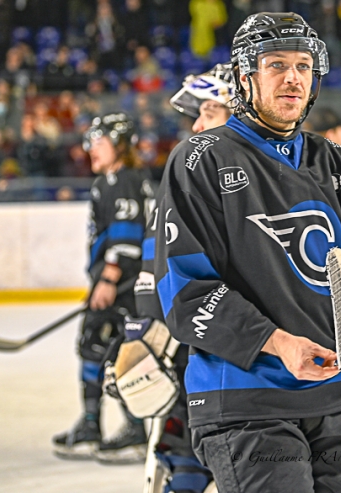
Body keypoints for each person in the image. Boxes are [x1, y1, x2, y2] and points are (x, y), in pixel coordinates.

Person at [152, 12, 341, 492]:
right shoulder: (202, 159)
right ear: (246, 77)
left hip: (340, 403)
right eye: (276, 64)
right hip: (245, 402)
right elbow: (186, 294)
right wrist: (279, 343)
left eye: (303, 66)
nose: (292, 78)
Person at [124, 63, 236, 493]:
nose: (197, 125)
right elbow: (157, 264)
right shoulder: (186, 172)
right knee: (187, 443)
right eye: (200, 113)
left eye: (209, 111)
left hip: (250, 353)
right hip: (199, 341)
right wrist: (145, 326)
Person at [52, 112, 154, 463]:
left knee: (114, 351)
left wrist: (109, 279)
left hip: (123, 285)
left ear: (120, 145)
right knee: (97, 345)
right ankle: (93, 424)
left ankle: (131, 429)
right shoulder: (120, 178)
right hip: (121, 282)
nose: (91, 150)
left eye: (100, 143)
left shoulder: (120, 180)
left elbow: (127, 237)